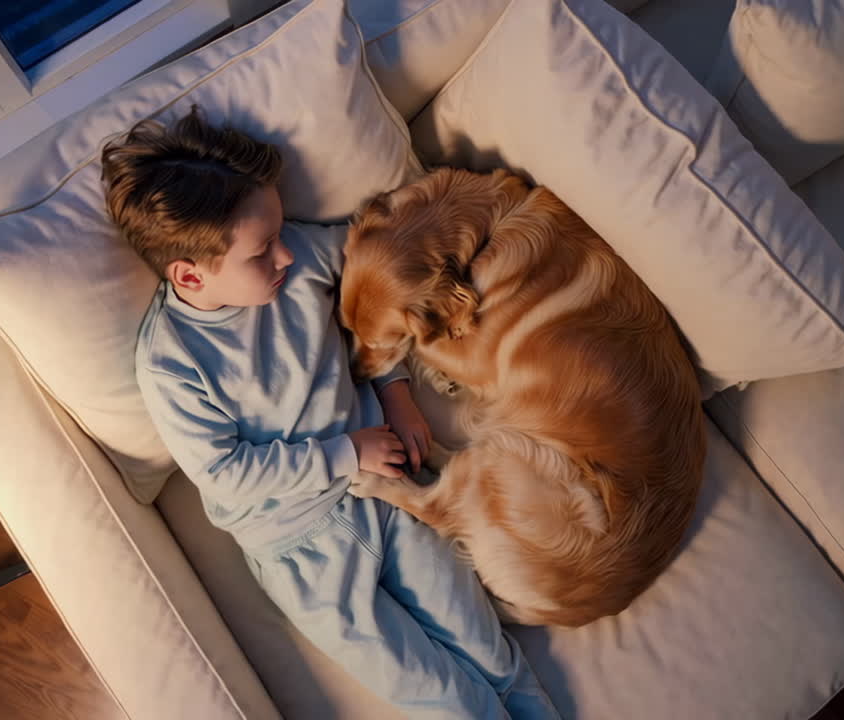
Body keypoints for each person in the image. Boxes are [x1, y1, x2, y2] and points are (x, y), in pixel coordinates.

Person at [102, 106, 559, 719]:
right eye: (262, 251)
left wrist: (395, 391)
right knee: (439, 694)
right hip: (302, 549)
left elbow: (377, 307)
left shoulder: (307, 259)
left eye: (282, 233)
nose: (285, 256)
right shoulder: (171, 363)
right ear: (189, 275)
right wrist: (347, 452)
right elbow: (227, 473)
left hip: (387, 494)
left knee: (489, 650)